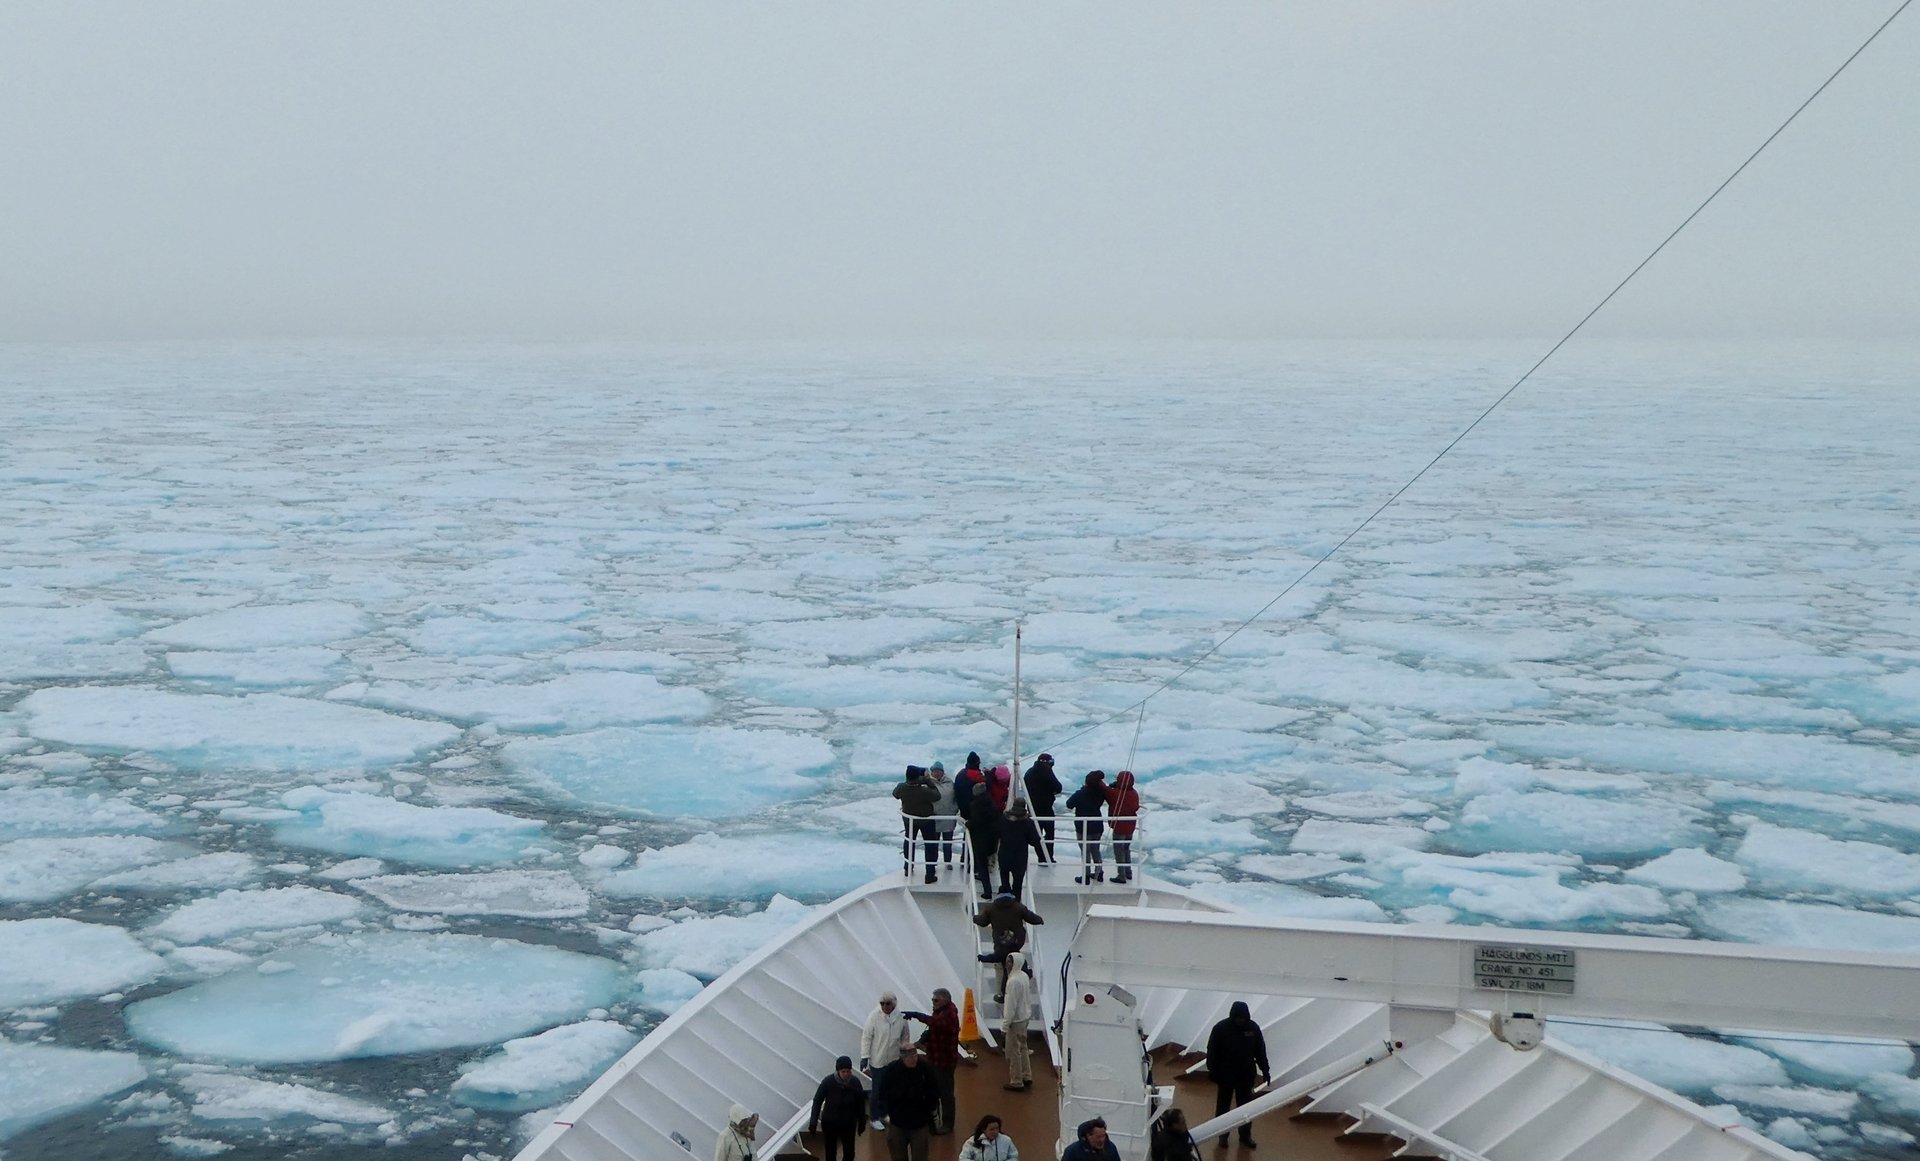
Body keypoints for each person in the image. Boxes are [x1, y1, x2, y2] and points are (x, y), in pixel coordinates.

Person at [1205, 1000, 1271, 1149]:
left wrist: (1265, 1070)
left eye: (1242, 1017)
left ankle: (1245, 1135)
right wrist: (1213, 1071)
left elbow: (1260, 1051)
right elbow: (1212, 1051)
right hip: (1225, 1076)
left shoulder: (1253, 1029)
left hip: (1245, 1075)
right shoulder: (1221, 1029)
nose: (1240, 1020)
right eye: (1238, 1017)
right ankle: (1222, 1135)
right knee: (1223, 1107)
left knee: (1246, 1108)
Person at [902, 988, 960, 1134]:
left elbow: (935, 1023)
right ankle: (935, 1119)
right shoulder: (942, 1011)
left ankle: (948, 1123)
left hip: (944, 1061)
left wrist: (916, 1015)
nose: (933, 1003)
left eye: (936, 1000)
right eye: (933, 1000)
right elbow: (932, 1029)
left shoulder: (949, 1014)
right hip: (936, 1058)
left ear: (945, 1000)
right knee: (935, 1089)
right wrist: (920, 1041)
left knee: (946, 1092)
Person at [972, 892, 1043, 1001]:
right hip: (1016, 941)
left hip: (1001, 943)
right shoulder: (1018, 907)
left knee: (1006, 968)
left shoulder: (991, 908)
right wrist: (1040, 920)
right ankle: (1026, 972)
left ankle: (1003, 995)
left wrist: (974, 918)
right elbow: (1031, 917)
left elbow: (983, 922)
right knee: (1016, 958)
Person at [876, 1042, 940, 1161]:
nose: (914, 1059)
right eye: (911, 1057)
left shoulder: (925, 1069)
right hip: (897, 1124)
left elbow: (934, 1090)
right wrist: (886, 1113)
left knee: (920, 1157)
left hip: (919, 1124)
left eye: (915, 1056)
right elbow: (883, 1093)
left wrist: (929, 1107)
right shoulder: (892, 1071)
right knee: (898, 1157)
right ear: (903, 1057)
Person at [860, 991, 908, 1129]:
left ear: (894, 1004)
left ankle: (885, 1113)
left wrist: (904, 1053)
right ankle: (874, 1117)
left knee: (891, 1089)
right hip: (878, 1060)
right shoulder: (874, 1017)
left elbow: (905, 1036)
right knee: (877, 1090)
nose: (885, 1006)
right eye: (882, 1003)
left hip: (894, 1059)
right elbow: (867, 1037)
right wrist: (865, 1056)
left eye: (888, 1003)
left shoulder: (900, 1018)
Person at [808, 1056, 867, 1161]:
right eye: (843, 1071)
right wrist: (813, 1122)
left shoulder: (855, 1082)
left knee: (849, 1153)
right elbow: (817, 1101)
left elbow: (860, 1103)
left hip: (848, 1123)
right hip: (830, 1123)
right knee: (830, 1152)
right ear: (838, 1071)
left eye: (848, 1071)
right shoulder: (828, 1082)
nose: (846, 1074)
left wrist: (862, 1121)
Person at [892, 765, 940, 884]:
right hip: (926, 821)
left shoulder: (902, 787)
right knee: (930, 845)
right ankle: (930, 874)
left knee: (909, 841)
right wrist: (928, 781)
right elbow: (937, 796)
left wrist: (910, 781)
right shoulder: (923, 790)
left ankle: (908, 867)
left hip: (909, 820)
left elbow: (895, 794)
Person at [997, 798, 1049, 898]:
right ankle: (1016, 905)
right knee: (1017, 885)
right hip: (1019, 858)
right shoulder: (1028, 822)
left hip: (1004, 855)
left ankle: (1004, 904)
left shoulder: (1003, 819)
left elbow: (997, 833)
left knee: (1004, 882)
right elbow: (1034, 841)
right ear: (1024, 807)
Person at [1065, 770, 1109, 884]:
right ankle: (1099, 873)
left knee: (1085, 851)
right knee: (1095, 850)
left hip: (1083, 827)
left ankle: (1086, 875)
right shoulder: (1101, 792)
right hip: (1097, 825)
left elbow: (1069, 804)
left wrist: (1081, 790)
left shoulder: (1081, 794)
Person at [1000, 950, 1035, 1091]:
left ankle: (1016, 1081)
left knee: (1013, 1052)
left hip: (1015, 1021)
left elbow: (1010, 1005)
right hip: (1024, 1018)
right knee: (1023, 1048)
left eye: (1010, 961)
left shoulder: (1013, 981)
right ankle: (1027, 1075)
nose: (1007, 964)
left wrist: (1005, 1025)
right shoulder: (1024, 976)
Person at [966, 781, 1003, 899]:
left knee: (981, 864)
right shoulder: (991, 803)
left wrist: (968, 824)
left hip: (980, 839)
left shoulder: (976, 805)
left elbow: (976, 822)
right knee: (988, 862)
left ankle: (987, 891)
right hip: (992, 839)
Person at [1023, 753, 1062, 858]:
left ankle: (1041, 857)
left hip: (1032, 808)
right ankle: (1048, 857)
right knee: (1049, 834)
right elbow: (1058, 787)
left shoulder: (1029, 772)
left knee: (1036, 835)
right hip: (1046, 808)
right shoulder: (1047, 772)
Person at [1105, 769, 1141, 884]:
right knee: (1126, 849)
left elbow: (1105, 792)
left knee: (1118, 850)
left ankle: (1121, 875)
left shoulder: (1115, 793)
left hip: (1119, 826)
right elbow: (1135, 807)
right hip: (1130, 826)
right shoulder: (1134, 793)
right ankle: (1128, 871)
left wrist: (1111, 786)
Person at [928, 760, 957, 868]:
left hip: (948, 817)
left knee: (948, 842)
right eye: (935, 771)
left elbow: (955, 797)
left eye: (939, 771)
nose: (937, 773)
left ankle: (947, 862)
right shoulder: (929, 784)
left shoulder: (949, 783)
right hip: (935, 818)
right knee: (933, 843)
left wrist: (954, 808)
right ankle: (933, 863)